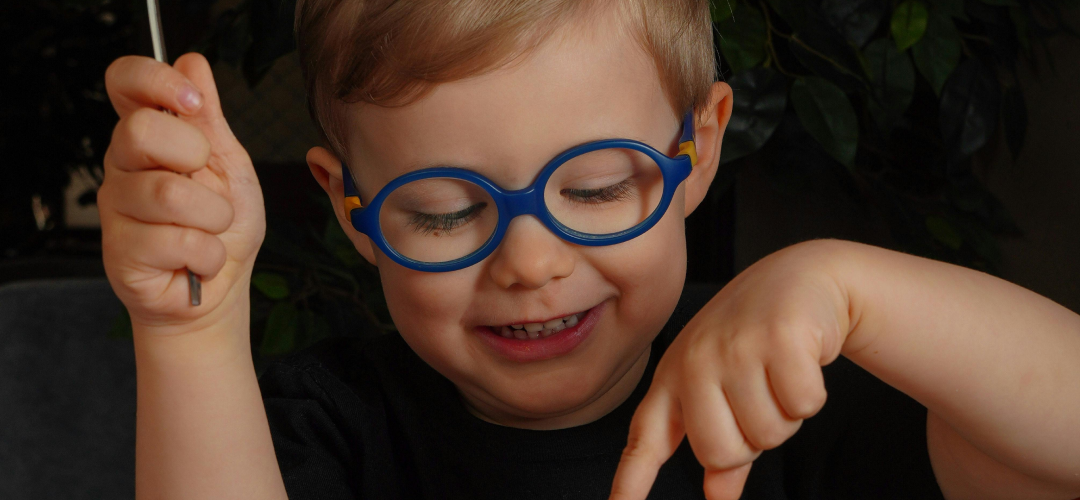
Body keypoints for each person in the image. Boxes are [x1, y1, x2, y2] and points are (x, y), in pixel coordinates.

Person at [96, 0, 1080, 498]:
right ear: (350, 209)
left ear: (697, 152)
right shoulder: (323, 430)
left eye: (600, 186)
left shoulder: (801, 395)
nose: (529, 261)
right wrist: (191, 334)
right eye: (442, 210)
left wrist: (856, 286)